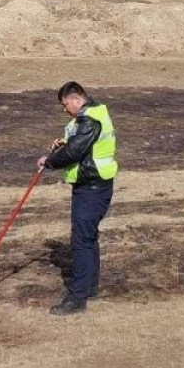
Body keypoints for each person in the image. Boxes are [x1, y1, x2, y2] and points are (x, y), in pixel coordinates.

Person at [37, 81, 117, 315]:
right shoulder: (92, 115)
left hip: (92, 187)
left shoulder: (90, 119)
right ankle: (89, 287)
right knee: (88, 237)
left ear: (76, 100)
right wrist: (64, 142)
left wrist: (49, 161)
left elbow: (75, 151)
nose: (65, 110)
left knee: (81, 240)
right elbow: (79, 144)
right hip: (93, 185)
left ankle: (77, 297)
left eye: (65, 105)